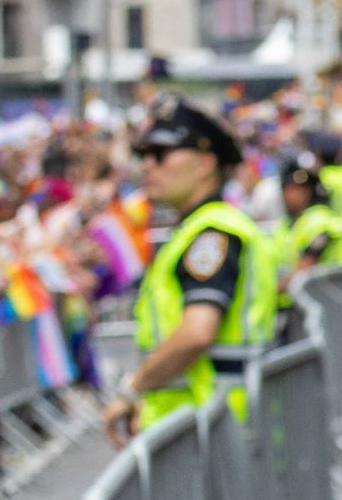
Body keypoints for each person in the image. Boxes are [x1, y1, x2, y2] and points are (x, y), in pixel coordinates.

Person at [105, 99, 277, 442]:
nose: (148, 166)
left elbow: (198, 331)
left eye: (161, 154)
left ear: (205, 164)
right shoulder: (196, 230)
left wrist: (133, 388)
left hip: (215, 430)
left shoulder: (211, 234)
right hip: (205, 426)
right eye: (144, 156)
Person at [271, 148, 342, 286]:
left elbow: (304, 269)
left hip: (327, 296)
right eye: (291, 189)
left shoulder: (318, 221)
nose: (294, 195)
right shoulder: (287, 223)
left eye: (301, 189)